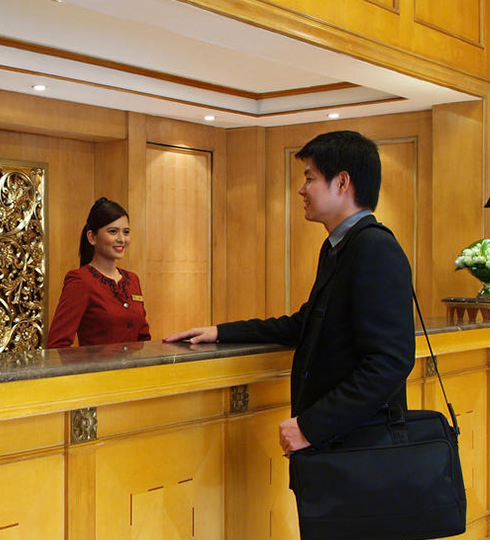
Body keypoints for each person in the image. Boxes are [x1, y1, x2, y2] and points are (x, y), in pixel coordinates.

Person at [164, 130, 414, 457]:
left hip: (357, 451)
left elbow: (389, 362)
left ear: (341, 182)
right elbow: (304, 325)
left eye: (310, 178)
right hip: (336, 446)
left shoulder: (375, 248)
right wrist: (220, 332)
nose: (301, 189)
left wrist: (313, 425)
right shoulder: (339, 247)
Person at [46, 197, 151, 348]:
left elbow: (144, 338)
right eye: (113, 231)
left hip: (136, 364)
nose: (122, 239)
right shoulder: (81, 280)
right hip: (97, 365)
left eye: (126, 232)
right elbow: (57, 345)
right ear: (92, 237)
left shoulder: (132, 280)